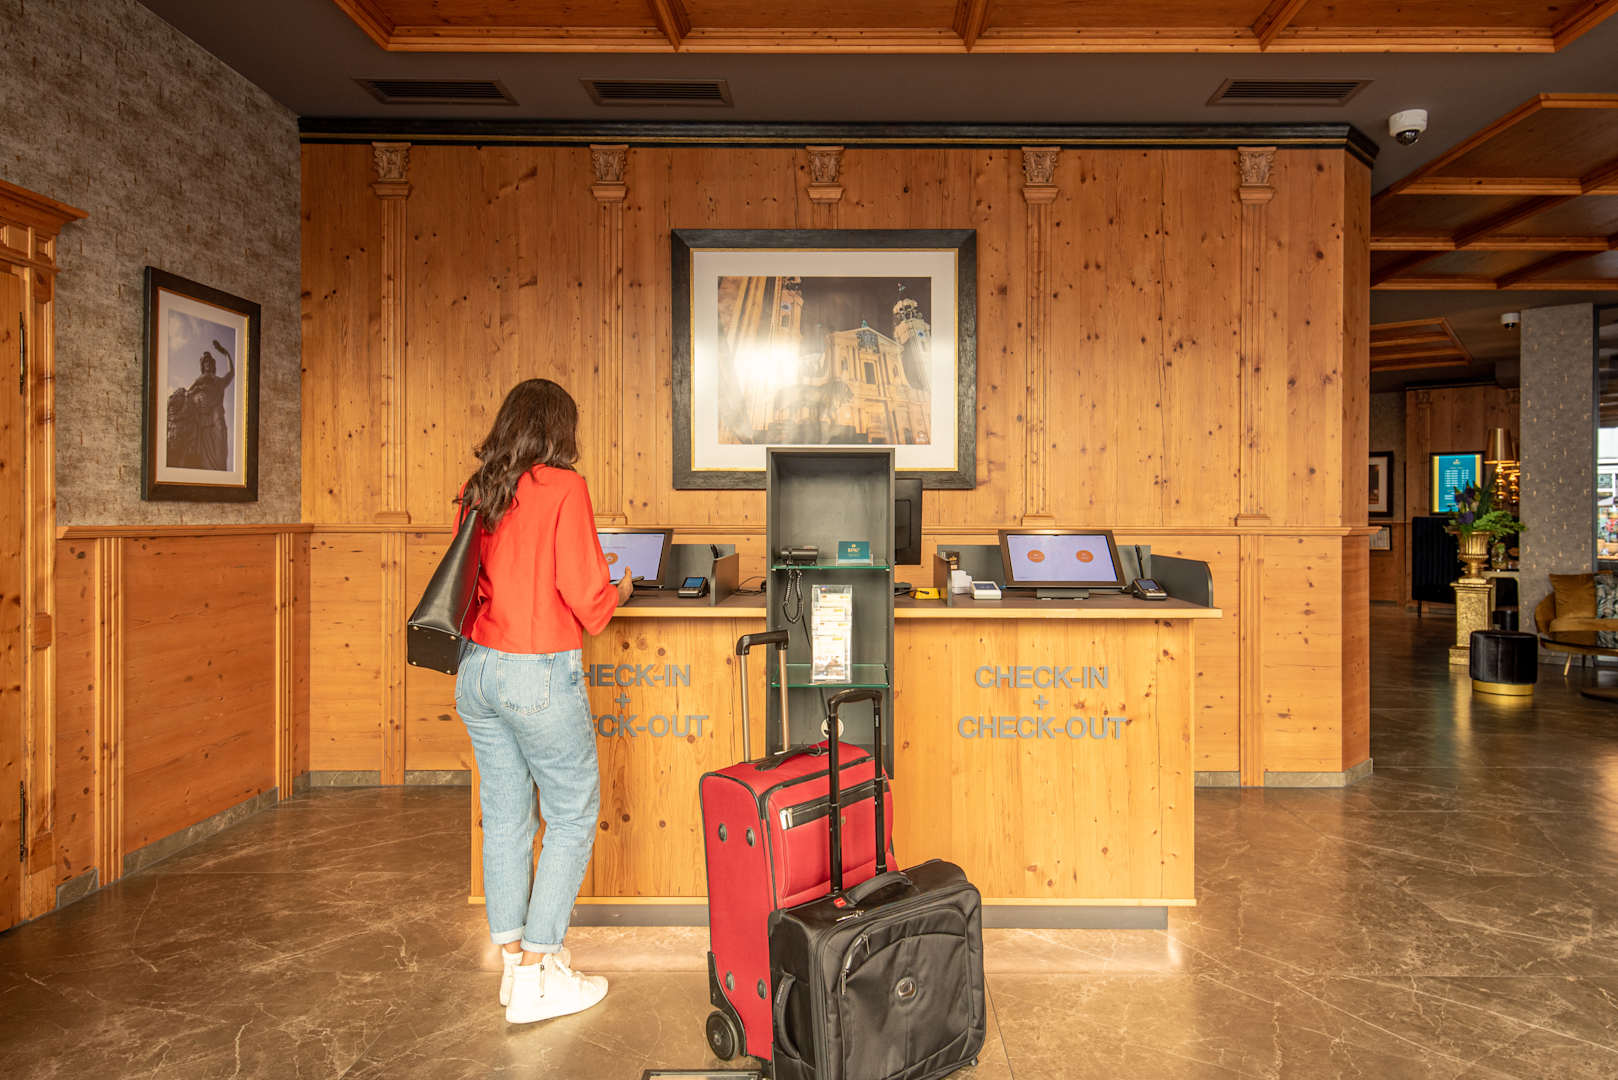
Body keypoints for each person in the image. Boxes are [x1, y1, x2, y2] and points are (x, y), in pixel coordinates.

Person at [453, 378, 634, 1025]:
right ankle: (537, 974)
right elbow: (588, 602)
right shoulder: (563, 487)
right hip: (536, 672)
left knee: (505, 818)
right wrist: (620, 588)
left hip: (476, 669)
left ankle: (514, 969)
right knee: (572, 815)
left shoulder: (480, 488)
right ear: (560, 428)